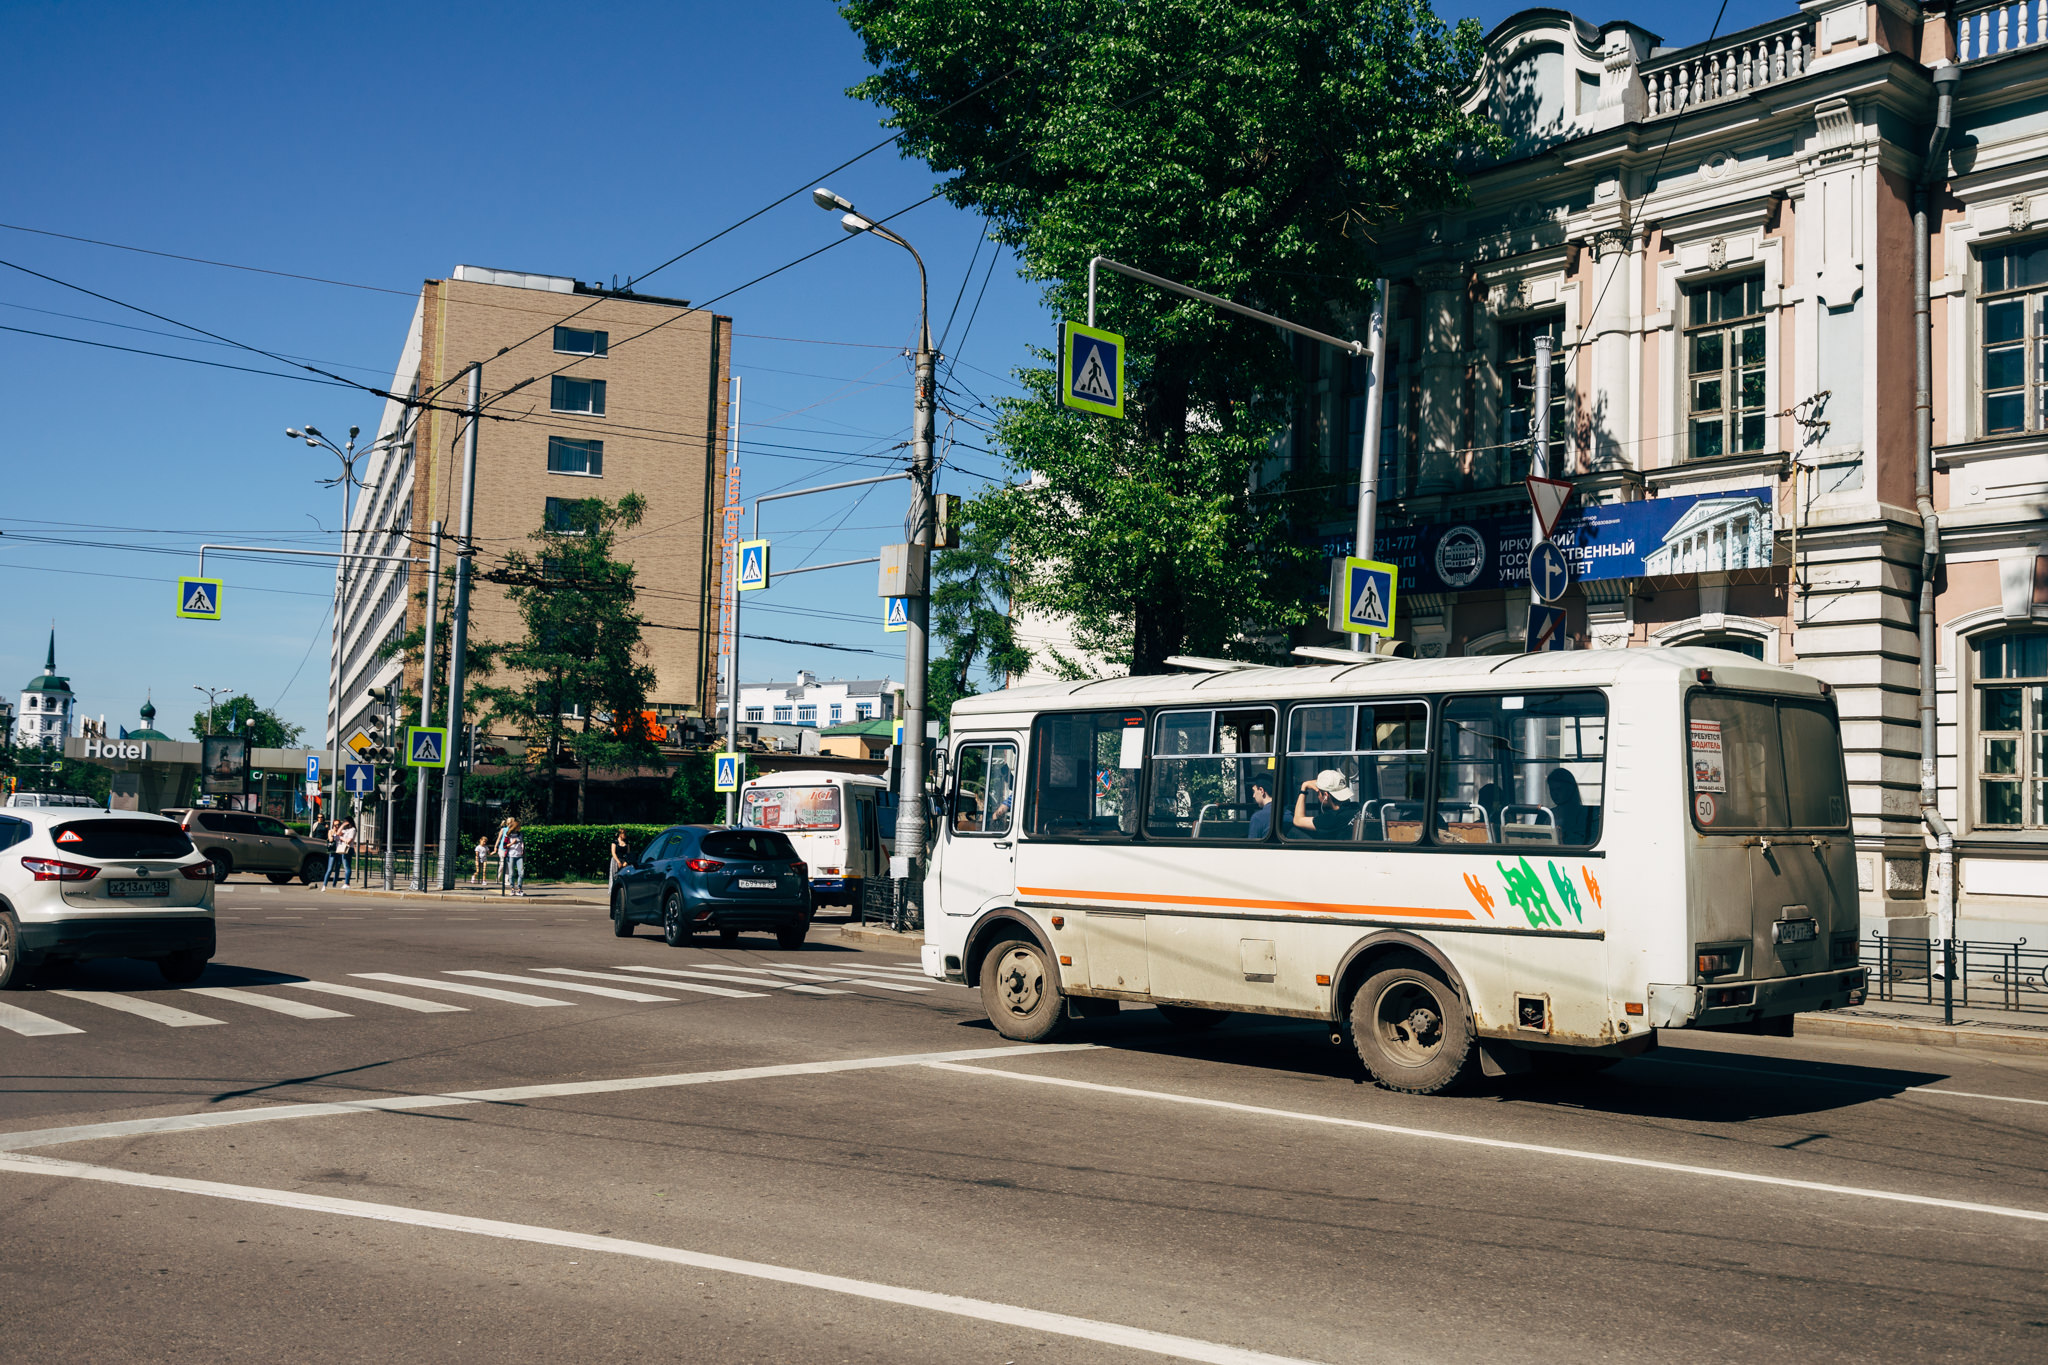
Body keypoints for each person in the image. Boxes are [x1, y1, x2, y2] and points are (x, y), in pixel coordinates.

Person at [1292, 769, 1359, 840]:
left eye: (1318, 793)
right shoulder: (1356, 806)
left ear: (1326, 795)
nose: (1318, 796)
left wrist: (1304, 787)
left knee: (1293, 831)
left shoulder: (1332, 818)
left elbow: (1297, 820)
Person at [1547, 767, 1594, 845]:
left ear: (1570, 790)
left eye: (1559, 789)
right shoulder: (1545, 814)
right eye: (1552, 790)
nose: (1555, 794)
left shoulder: (1587, 815)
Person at [322, 818, 355, 890]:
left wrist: (341, 830)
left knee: (338, 869)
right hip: (333, 851)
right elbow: (331, 839)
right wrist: (335, 831)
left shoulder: (347, 830)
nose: (337, 826)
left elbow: (342, 836)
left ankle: (335, 885)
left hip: (341, 850)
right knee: (330, 869)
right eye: (335, 825)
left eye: (338, 824)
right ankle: (324, 885)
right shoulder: (331, 831)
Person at [501, 818, 526, 897]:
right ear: (515, 827)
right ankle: (512, 889)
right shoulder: (508, 835)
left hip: (519, 856)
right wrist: (512, 843)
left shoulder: (520, 834)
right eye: (519, 826)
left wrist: (523, 852)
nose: (520, 828)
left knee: (521, 873)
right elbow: (504, 846)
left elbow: (522, 844)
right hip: (511, 855)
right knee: (511, 873)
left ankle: (519, 889)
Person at [1247, 776, 1275, 840]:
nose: (1253, 796)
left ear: (1261, 790)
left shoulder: (1258, 818)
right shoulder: (1289, 814)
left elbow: (1252, 846)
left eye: (1254, 791)